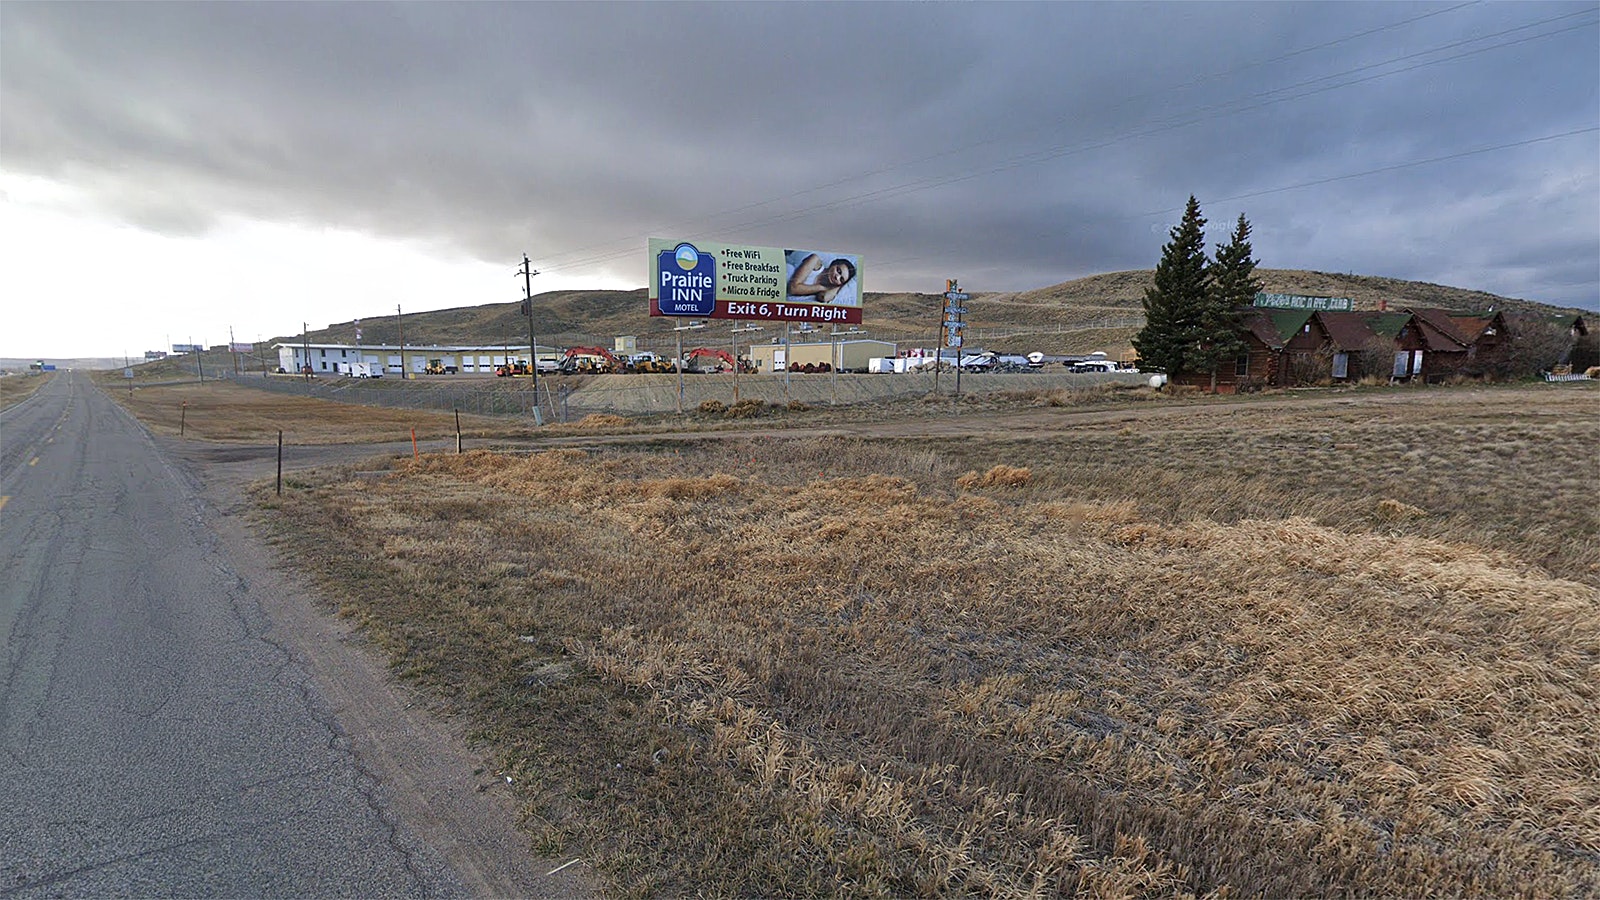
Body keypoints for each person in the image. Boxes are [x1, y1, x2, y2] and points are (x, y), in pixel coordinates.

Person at [786, 251, 857, 305]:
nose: (837, 277)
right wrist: (821, 288)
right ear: (834, 263)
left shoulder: (827, 289)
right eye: (838, 270)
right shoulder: (815, 261)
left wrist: (840, 286)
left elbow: (824, 297)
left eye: (841, 279)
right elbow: (793, 288)